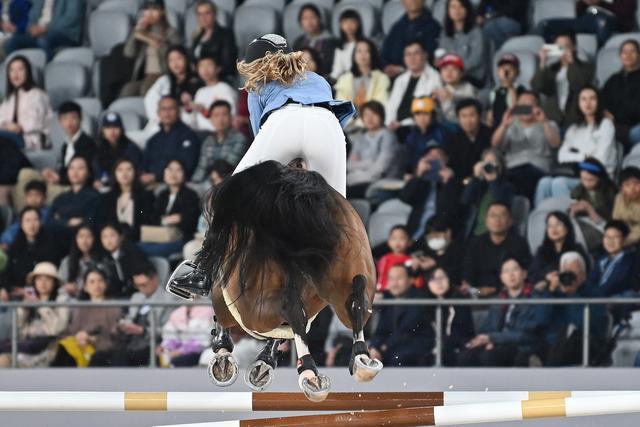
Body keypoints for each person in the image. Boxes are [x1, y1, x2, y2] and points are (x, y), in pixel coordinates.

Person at [168, 33, 356, 294]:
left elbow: (264, 146)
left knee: (229, 196)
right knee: (338, 211)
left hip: (283, 122)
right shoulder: (318, 79)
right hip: (327, 126)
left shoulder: (257, 86)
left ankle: (202, 270)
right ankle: (350, 278)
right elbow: (326, 120)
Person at [534, 86, 616, 206]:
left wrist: (575, 155)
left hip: (600, 178)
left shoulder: (606, 125)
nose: (588, 103)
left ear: (599, 102)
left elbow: (600, 160)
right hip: (577, 175)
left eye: (592, 98)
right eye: (583, 99)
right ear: (578, 103)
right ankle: (540, 220)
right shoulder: (574, 129)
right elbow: (562, 156)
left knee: (559, 183)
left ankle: (568, 220)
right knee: (544, 182)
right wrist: (584, 155)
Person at [458, 257, 538, 367]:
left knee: (488, 356)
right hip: (496, 342)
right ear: (501, 277)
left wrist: (492, 339)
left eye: (515, 269)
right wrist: (483, 339)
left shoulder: (534, 298)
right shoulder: (499, 299)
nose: (511, 274)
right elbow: (486, 327)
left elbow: (523, 335)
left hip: (518, 346)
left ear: (524, 274)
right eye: (506, 271)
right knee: (465, 356)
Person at [535, 251, 607, 366]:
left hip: (583, 342)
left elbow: (583, 323)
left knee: (562, 346)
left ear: (584, 276)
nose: (569, 277)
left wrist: (573, 294)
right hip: (552, 342)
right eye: (565, 273)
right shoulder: (554, 292)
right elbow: (541, 320)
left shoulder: (594, 294)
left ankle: (548, 380)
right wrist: (550, 292)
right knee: (525, 353)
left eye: (574, 273)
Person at [491, 90, 561, 201]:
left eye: (530, 105)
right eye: (522, 105)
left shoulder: (549, 124)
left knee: (523, 177)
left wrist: (544, 122)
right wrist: (504, 126)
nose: (526, 108)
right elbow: (495, 144)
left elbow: (555, 143)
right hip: (513, 170)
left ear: (538, 107)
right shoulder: (510, 125)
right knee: (501, 181)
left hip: (539, 169)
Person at [0, 262, 69, 368]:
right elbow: (19, 330)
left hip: (49, 349)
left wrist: (40, 305)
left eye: (48, 279)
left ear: (55, 282)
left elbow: (57, 328)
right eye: (39, 279)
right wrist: (24, 308)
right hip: (25, 347)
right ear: (34, 282)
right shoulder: (28, 301)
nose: (43, 283)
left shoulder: (62, 300)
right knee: (3, 360)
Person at [105, 264, 175, 367]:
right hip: (130, 342)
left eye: (143, 285)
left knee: (121, 357)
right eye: (137, 285)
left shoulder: (169, 299)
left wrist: (143, 331)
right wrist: (122, 326)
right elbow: (129, 318)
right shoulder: (136, 297)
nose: (141, 289)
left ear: (155, 279)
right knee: (101, 355)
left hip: (152, 343)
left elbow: (168, 330)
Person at [51, 267, 122, 367]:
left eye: (100, 281)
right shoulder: (81, 308)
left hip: (101, 351)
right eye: (92, 282)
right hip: (79, 347)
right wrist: (78, 337)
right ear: (85, 287)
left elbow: (114, 337)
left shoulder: (113, 307)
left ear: (106, 283)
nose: (96, 285)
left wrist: (92, 340)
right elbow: (72, 330)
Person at [462, 202, 531, 298]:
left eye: (502, 215)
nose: (497, 220)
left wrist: (495, 289)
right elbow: (468, 276)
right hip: (478, 293)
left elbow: (524, 274)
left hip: (508, 292)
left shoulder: (519, 244)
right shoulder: (475, 244)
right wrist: (479, 291)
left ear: (510, 221)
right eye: (493, 215)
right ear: (486, 220)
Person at [368, 264, 432, 366]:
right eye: (391, 278)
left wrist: (382, 348)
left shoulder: (419, 299)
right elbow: (381, 330)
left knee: (397, 358)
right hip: (390, 346)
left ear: (411, 280)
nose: (394, 283)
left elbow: (407, 330)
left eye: (399, 278)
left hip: (415, 346)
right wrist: (374, 347)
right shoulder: (387, 300)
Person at [530, 31, 595, 129]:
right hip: (553, 121)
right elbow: (538, 87)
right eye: (559, 47)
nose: (563, 50)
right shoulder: (550, 69)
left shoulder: (586, 67)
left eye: (566, 46)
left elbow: (578, 84)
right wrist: (542, 62)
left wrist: (572, 62)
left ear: (574, 47)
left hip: (576, 121)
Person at [400, 143, 462, 240]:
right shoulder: (421, 181)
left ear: (446, 160)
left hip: (437, 234)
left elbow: (451, 210)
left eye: (439, 155)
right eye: (430, 155)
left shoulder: (453, 182)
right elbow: (405, 198)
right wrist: (419, 175)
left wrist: (448, 183)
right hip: (412, 233)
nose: (434, 158)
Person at [120, 0, 182, 97]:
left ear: (162, 12)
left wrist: (148, 38)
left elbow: (176, 54)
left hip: (162, 75)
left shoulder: (171, 32)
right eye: (147, 9)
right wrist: (135, 33)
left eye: (154, 9)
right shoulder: (143, 30)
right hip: (145, 76)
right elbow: (128, 53)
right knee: (127, 90)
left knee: (146, 88)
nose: (150, 13)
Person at [139, 160, 200, 258]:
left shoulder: (190, 195)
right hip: (160, 237)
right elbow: (153, 218)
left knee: (147, 250)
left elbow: (189, 222)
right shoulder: (162, 195)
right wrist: (168, 220)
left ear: (184, 174)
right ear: (164, 174)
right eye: (170, 169)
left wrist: (179, 219)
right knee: (139, 246)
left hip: (180, 238)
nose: (173, 173)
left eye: (178, 170)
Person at [143, 45, 204, 135]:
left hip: (187, 121)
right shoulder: (164, 80)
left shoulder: (197, 81)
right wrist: (162, 117)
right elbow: (150, 99)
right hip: (163, 120)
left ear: (186, 59)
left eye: (179, 58)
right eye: (171, 60)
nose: (175, 63)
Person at [1, 207, 60, 300]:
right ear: (21, 224)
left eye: (35, 220)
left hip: (41, 295)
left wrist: (28, 290)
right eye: (27, 220)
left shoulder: (50, 246)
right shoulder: (15, 246)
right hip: (15, 293)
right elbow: (8, 271)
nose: (32, 224)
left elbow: (49, 275)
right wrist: (4, 288)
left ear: (41, 222)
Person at [141, 96, 201, 186]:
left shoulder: (188, 136)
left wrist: (156, 176)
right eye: (163, 109)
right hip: (149, 183)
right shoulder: (153, 139)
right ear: (158, 112)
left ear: (179, 111)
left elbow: (187, 167)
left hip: (176, 184)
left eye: (171, 108)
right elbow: (144, 164)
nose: (167, 112)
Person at [346, 101, 399, 198]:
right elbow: (350, 165)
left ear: (381, 116)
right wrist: (369, 162)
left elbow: (379, 170)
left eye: (374, 114)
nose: (370, 118)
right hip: (360, 179)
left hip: (382, 182)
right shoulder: (361, 138)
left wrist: (355, 175)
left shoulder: (387, 137)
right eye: (366, 115)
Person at [424, 266, 474, 366]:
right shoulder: (424, 305)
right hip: (431, 348)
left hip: (455, 348)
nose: (439, 282)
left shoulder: (460, 302)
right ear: (428, 284)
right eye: (433, 279)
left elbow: (463, 333)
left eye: (442, 278)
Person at [0, 55, 52, 151]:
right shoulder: (9, 98)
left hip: (30, 139)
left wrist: (15, 127)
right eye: (11, 70)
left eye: (20, 69)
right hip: (9, 137)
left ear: (28, 72)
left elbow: (34, 123)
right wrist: (7, 125)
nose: (15, 74)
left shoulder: (38, 94)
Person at [385, 42, 441, 129]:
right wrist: (389, 124)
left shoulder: (435, 77)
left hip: (418, 127)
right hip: (395, 128)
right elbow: (391, 108)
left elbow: (426, 111)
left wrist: (402, 125)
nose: (412, 58)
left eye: (416, 53)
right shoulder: (400, 79)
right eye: (408, 54)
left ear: (425, 55)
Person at [191, 100, 248, 184]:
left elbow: (229, 164)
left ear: (231, 117)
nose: (220, 119)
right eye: (216, 115)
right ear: (211, 119)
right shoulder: (208, 142)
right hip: (209, 182)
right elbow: (202, 167)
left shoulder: (240, 138)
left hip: (232, 181)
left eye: (224, 114)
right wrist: (193, 184)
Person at [3, 0, 84, 59]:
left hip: (64, 33)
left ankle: (48, 74)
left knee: (43, 41)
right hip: (40, 33)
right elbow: (32, 16)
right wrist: (31, 27)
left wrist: (47, 28)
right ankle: (24, 75)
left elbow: (72, 18)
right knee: (10, 43)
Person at [461, 148, 514, 238]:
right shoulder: (479, 185)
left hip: (495, 235)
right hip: (475, 234)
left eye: (493, 163)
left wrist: (494, 181)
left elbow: (501, 205)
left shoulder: (507, 186)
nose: (489, 167)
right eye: (486, 163)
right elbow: (465, 201)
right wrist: (476, 178)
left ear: (500, 167)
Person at [41, 101, 96, 188]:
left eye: (73, 118)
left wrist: (59, 179)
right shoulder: (65, 145)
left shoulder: (88, 144)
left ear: (80, 119)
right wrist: (54, 174)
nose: (69, 123)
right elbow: (65, 170)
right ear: (60, 121)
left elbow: (85, 174)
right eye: (65, 119)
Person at [98, 159, 154, 242]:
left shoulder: (145, 196)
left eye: (129, 169)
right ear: (114, 174)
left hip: (138, 241)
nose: (124, 173)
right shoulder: (107, 198)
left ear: (135, 172)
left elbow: (147, 222)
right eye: (120, 170)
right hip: (113, 242)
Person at [529, 211, 589, 289]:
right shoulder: (542, 251)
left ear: (567, 228)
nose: (554, 228)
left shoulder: (577, 249)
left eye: (558, 224)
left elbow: (585, 272)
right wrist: (547, 276)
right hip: (548, 290)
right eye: (550, 225)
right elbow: (533, 273)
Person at [537, 0, 635, 47]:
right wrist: (585, 3)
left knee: (602, 22)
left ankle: (598, 53)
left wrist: (599, 3)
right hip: (588, 22)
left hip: (612, 23)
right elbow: (579, 16)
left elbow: (625, 13)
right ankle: (556, 50)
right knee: (545, 25)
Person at [381, 0, 441, 78]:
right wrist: (386, 66)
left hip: (420, 77)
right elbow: (385, 50)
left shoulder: (433, 26)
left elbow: (430, 57)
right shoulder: (397, 26)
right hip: (392, 76)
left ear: (424, 1)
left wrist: (402, 69)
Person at [568, 158, 617, 251]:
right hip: (582, 224)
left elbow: (608, 222)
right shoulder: (579, 190)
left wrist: (589, 209)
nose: (586, 184)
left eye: (591, 180)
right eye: (583, 179)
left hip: (602, 229)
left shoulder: (610, 192)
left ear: (600, 178)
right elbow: (571, 212)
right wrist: (573, 211)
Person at [438, 0, 488, 86]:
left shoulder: (476, 32)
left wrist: (456, 70)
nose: (457, 10)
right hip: (449, 76)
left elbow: (476, 60)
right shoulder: (444, 33)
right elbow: (442, 55)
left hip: (470, 77)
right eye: (453, 7)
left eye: (461, 6)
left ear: (467, 9)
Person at [333, 39, 390, 114]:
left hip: (372, 119)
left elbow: (381, 102)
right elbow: (340, 105)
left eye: (367, 51)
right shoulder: (344, 79)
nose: (363, 54)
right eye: (359, 51)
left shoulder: (382, 78)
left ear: (373, 54)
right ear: (353, 56)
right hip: (348, 121)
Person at [601, 39, 640, 146]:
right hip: (616, 126)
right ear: (620, 55)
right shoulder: (613, 79)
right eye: (624, 52)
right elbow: (602, 101)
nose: (628, 55)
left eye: (632, 51)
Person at [409, 215, 465, 287]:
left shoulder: (460, 250)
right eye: (430, 237)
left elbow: (458, 276)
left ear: (448, 232)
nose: (434, 240)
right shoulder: (425, 251)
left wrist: (436, 264)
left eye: (437, 235)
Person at [186, 55, 238, 132]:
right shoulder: (200, 92)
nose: (205, 69)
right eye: (201, 66)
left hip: (222, 133)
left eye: (209, 65)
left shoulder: (225, 89)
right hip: (202, 134)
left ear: (218, 68)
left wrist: (203, 110)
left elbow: (232, 115)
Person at [93, 112, 143, 191]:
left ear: (121, 129)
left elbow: (137, 171)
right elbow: (96, 170)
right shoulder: (98, 148)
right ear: (103, 131)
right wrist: (97, 180)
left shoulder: (131, 148)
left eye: (116, 127)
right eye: (108, 127)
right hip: (103, 188)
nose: (112, 131)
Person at [97, 222, 149, 299]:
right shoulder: (104, 259)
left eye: (112, 235)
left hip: (135, 295)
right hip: (116, 297)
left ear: (121, 237)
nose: (108, 240)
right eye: (104, 237)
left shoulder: (132, 253)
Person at [47, 156, 100, 230]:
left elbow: (90, 221)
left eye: (80, 168)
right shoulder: (61, 197)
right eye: (71, 168)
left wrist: (60, 219)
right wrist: (68, 222)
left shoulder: (94, 196)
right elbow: (49, 221)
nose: (75, 172)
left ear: (88, 173)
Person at [189, 0, 237, 82]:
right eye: (200, 14)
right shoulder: (197, 36)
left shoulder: (225, 34)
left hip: (218, 79)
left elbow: (228, 64)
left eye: (207, 13)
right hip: (199, 78)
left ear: (214, 14)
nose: (203, 18)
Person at [446, 98, 492, 181]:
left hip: (484, 179)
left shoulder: (490, 135)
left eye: (472, 115)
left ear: (480, 116)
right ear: (458, 119)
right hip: (460, 181)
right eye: (463, 116)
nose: (468, 121)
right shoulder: (454, 138)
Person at [589, 220, 636, 297]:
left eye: (615, 237)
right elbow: (591, 280)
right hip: (597, 298)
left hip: (616, 300)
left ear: (624, 240)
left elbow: (615, 283)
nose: (610, 241)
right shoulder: (601, 259)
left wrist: (595, 295)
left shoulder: (629, 260)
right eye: (607, 237)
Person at [403, 97, 448, 175]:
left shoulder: (441, 132)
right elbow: (409, 161)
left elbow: (445, 158)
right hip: (417, 174)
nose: (422, 118)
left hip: (437, 175)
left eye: (426, 114)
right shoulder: (411, 136)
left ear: (433, 115)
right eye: (418, 114)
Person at [0, 180, 48, 248]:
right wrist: (4, 242)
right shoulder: (23, 214)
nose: (33, 199)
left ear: (44, 197)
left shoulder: (48, 213)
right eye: (30, 195)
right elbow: (13, 230)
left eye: (37, 195)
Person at [292, 4, 337, 74]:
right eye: (305, 18)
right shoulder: (298, 42)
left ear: (320, 19)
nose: (309, 21)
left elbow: (330, 68)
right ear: (300, 22)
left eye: (313, 17)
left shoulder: (331, 42)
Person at [58, 224, 101, 299]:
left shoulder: (101, 261)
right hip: (73, 300)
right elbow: (60, 285)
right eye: (81, 236)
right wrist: (67, 286)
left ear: (94, 238)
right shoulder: (67, 261)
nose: (84, 241)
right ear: (76, 239)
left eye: (88, 236)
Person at [432, 53, 476, 124]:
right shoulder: (440, 88)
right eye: (445, 69)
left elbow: (469, 105)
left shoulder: (468, 88)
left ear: (461, 73)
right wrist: (434, 102)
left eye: (454, 69)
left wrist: (451, 97)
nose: (449, 72)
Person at [487, 53, 524, 129]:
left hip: (515, 129)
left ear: (517, 72)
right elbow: (492, 111)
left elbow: (526, 111)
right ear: (498, 72)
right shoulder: (494, 91)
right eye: (503, 68)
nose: (506, 71)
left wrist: (511, 89)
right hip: (497, 129)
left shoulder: (521, 89)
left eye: (510, 68)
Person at [376, 225, 412, 292]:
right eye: (394, 238)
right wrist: (381, 289)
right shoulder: (385, 259)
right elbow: (382, 276)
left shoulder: (411, 260)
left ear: (409, 242)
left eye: (402, 238)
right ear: (389, 242)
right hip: (387, 290)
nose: (397, 241)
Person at [330, 9, 363, 81]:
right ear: (340, 25)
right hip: (344, 82)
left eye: (352, 21)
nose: (349, 25)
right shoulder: (340, 47)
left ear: (358, 24)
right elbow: (337, 70)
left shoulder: (364, 44)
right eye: (345, 22)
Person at [612, 167, 640, 245]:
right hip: (622, 236)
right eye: (627, 185)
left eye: (637, 183)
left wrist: (625, 240)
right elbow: (616, 221)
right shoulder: (619, 198)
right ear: (622, 188)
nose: (632, 188)